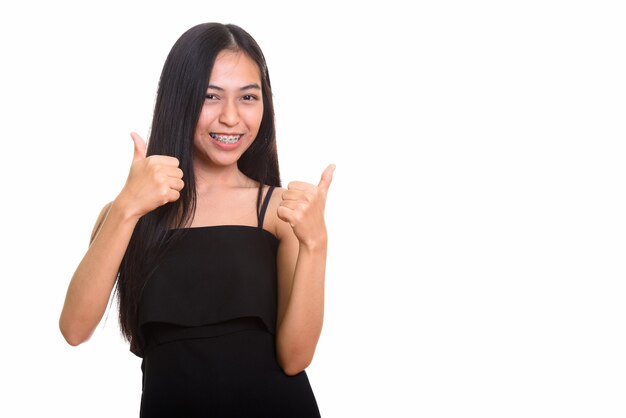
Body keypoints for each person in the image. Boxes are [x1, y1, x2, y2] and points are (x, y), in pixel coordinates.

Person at [59, 22, 334, 417]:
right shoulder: (128, 213)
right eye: (210, 96)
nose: (230, 117)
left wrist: (316, 244)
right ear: (180, 100)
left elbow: (295, 358)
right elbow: (74, 329)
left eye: (248, 97)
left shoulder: (277, 210)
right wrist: (127, 207)